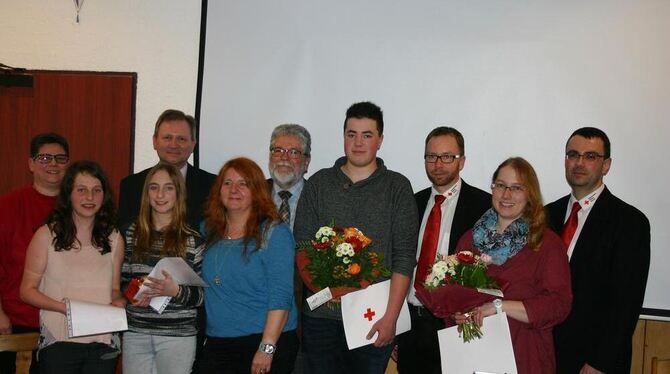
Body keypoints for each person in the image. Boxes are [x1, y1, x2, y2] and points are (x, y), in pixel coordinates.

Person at [294, 101, 419, 373]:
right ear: (343, 138)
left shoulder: (397, 187)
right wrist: (331, 291)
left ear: (380, 140)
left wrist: (391, 317)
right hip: (321, 318)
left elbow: (404, 257)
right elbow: (303, 245)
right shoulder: (318, 184)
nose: (358, 142)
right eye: (351, 134)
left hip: (373, 319)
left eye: (367, 135)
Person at [454, 157, 572, 374]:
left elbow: (559, 305)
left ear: (530, 194)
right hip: (473, 358)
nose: (506, 195)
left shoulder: (546, 244)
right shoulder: (469, 240)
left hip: (526, 358)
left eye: (516, 188)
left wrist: (499, 307)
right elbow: (453, 296)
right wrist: (456, 315)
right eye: (500, 186)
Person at [546, 127, 650, 374]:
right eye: (573, 155)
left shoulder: (630, 222)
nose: (579, 162)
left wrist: (599, 363)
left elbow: (626, 304)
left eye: (591, 156)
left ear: (606, 165)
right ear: (565, 160)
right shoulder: (546, 215)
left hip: (594, 362)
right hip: (546, 352)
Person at [396, 127, 490, 374]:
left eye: (447, 157)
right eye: (431, 157)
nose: (438, 164)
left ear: (462, 161)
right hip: (410, 323)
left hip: (455, 323)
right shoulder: (411, 203)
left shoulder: (483, 206)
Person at [20, 161, 125, 374]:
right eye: (81, 190)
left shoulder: (114, 238)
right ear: (69, 194)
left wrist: (119, 301)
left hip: (102, 342)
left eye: (96, 191)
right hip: (60, 341)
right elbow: (26, 291)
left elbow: (114, 289)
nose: (89, 197)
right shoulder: (46, 235)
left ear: (104, 196)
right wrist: (66, 309)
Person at [200, 158, 298, 374]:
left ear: (257, 191)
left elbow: (281, 298)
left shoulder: (274, 233)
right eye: (227, 183)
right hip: (217, 343)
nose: (234, 189)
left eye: (243, 184)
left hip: (263, 343)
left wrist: (267, 348)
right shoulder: (208, 230)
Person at [121, 163, 204, 374]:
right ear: (146, 193)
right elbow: (120, 282)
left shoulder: (193, 240)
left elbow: (202, 297)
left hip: (177, 336)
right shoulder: (131, 233)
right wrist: (134, 293)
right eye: (154, 187)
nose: (160, 194)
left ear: (179, 193)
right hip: (136, 331)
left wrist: (174, 291)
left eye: (168, 188)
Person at [0, 132, 69, 374]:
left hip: (64, 324)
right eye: (45, 158)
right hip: (16, 323)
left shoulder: (81, 206)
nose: (53, 164)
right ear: (31, 163)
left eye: (60, 158)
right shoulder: (8, 206)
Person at [118, 109, 216, 230]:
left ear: (193, 145)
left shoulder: (214, 186)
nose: (174, 145)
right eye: (167, 138)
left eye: (181, 139)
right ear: (155, 142)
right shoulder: (131, 186)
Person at [267, 124, 311, 231]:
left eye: (293, 152)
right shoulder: (253, 194)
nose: (284, 158)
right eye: (278, 150)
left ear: (306, 162)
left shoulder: (317, 198)